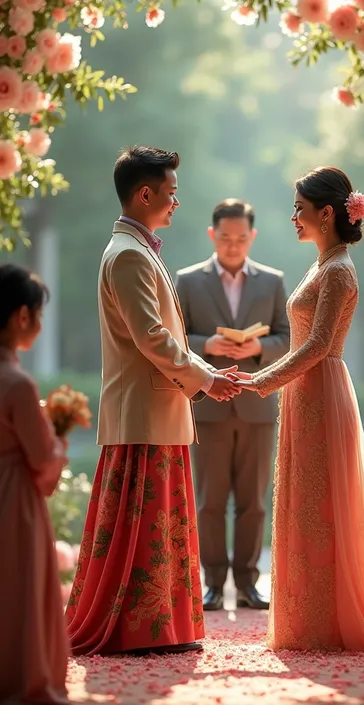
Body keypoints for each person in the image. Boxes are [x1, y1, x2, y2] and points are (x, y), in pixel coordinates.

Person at [233, 167, 364, 650]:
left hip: (319, 387)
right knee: (301, 498)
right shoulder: (322, 264)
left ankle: (325, 622)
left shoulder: (338, 270)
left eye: (300, 207)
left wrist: (262, 381)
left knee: (321, 506)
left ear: (327, 212)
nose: (294, 216)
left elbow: (318, 345)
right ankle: (304, 620)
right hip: (302, 389)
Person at [66, 146, 240, 656]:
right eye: (171, 193)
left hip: (154, 409)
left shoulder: (136, 250)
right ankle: (139, 630)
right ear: (145, 194)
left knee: (152, 524)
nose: (176, 202)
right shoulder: (127, 255)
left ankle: (158, 628)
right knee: (145, 526)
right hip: (144, 412)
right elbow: (153, 338)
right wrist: (206, 378)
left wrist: (203, 376)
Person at [175, 199, 290, 611]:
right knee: (208, 501)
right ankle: (212, 582)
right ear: (212, 235)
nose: (233, 246)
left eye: (241, 238)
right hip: (207, 407)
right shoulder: (187, 281)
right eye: (225, 238)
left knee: (254, 502)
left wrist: (260, 346)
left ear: (252, 237)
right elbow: (172, 338)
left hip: (257, 405)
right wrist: (206, 344)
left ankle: (247, 583)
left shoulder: (273, 281)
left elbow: (288, 338)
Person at [0, 264, 69, 704]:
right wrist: (59, 435)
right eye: (38, 315)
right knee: (19, 590)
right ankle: (22, 680)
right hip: (12, 500)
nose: (40, 325)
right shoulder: (19, 384)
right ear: (22, 317)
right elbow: (43, 462)